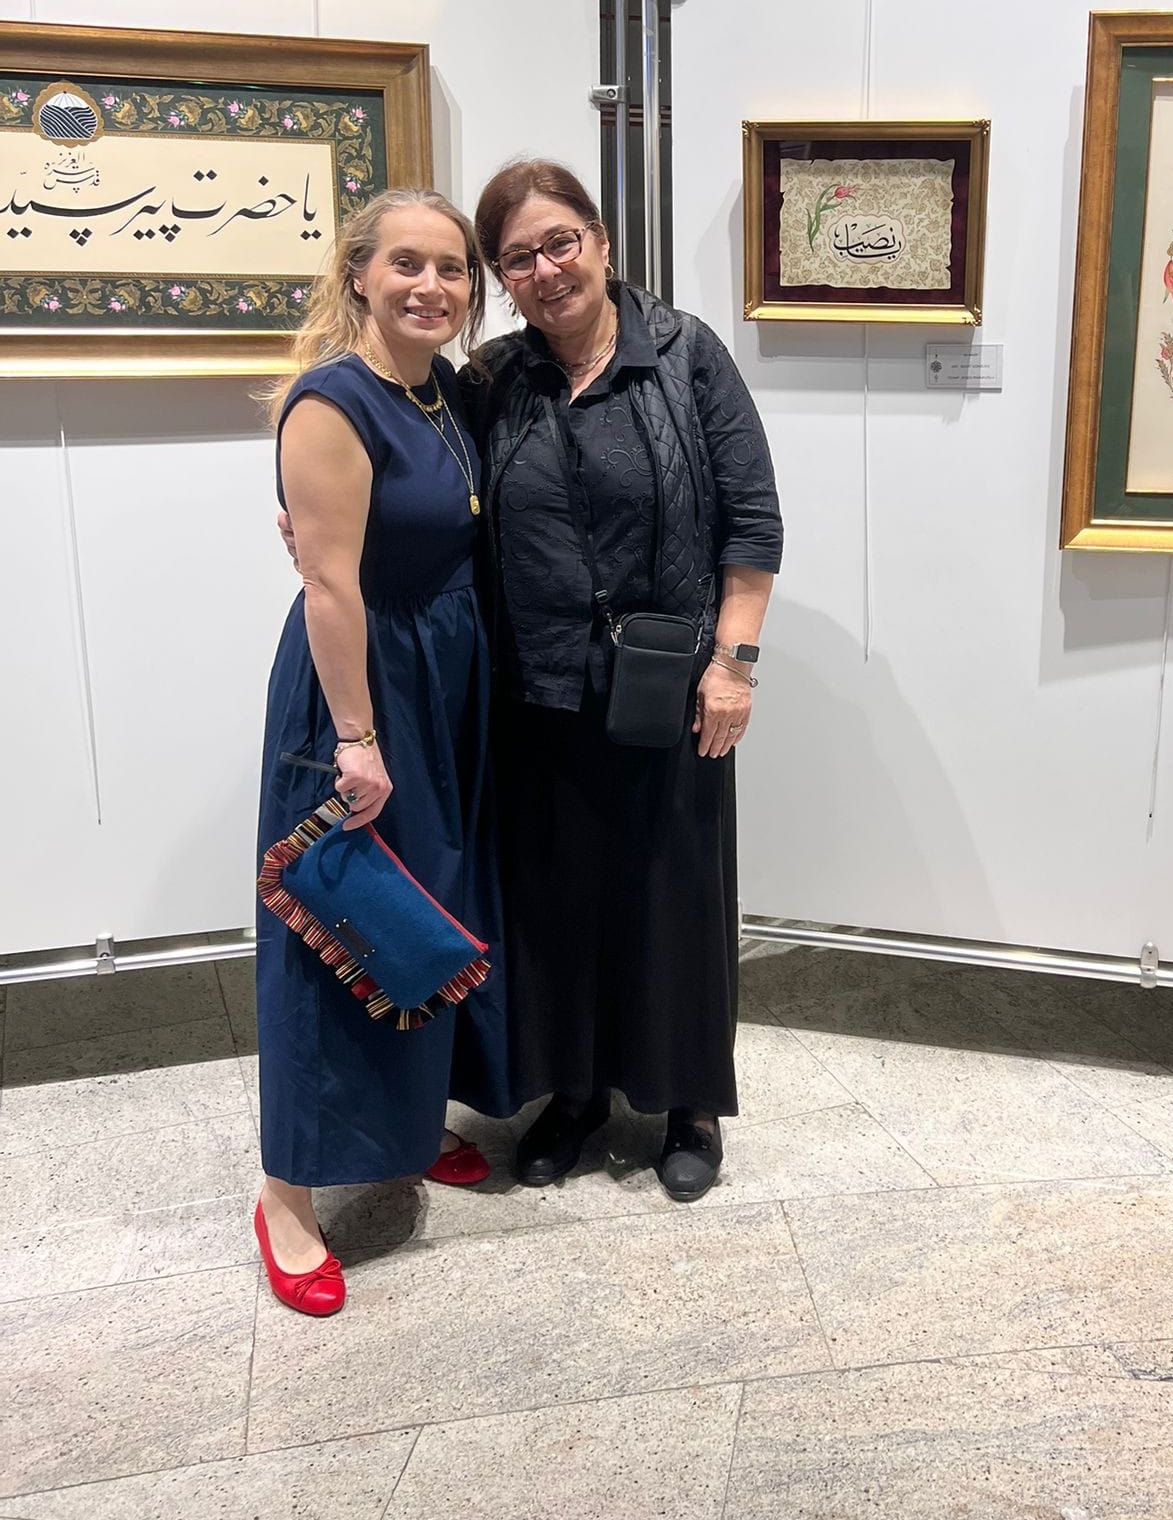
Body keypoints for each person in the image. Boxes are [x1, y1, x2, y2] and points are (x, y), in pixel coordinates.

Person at [462, 158, 782, 1200]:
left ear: (601, 242)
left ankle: (689, 1104)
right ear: (501, 278)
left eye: (561, 242)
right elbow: (418, 469)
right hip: (537, 693)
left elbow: (753, 519)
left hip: (670, 690)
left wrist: (733, 664)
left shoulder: (687, 353)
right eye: (518, 258)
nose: (546, 269)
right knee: (557, 903)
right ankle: (575, 1094)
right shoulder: (494, 378)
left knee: (675, 896)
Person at [254, 188, 511, 1315]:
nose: (431, 286)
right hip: (360, 692)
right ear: (357, 271)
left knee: (427, 910)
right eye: (406, 263)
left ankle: (406, 1126)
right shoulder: (332, 401)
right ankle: (286, 1195)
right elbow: (328, 584)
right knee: (337, 926)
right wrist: (357, 738)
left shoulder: (446, 389)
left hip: (444, 677)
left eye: (452, 268)